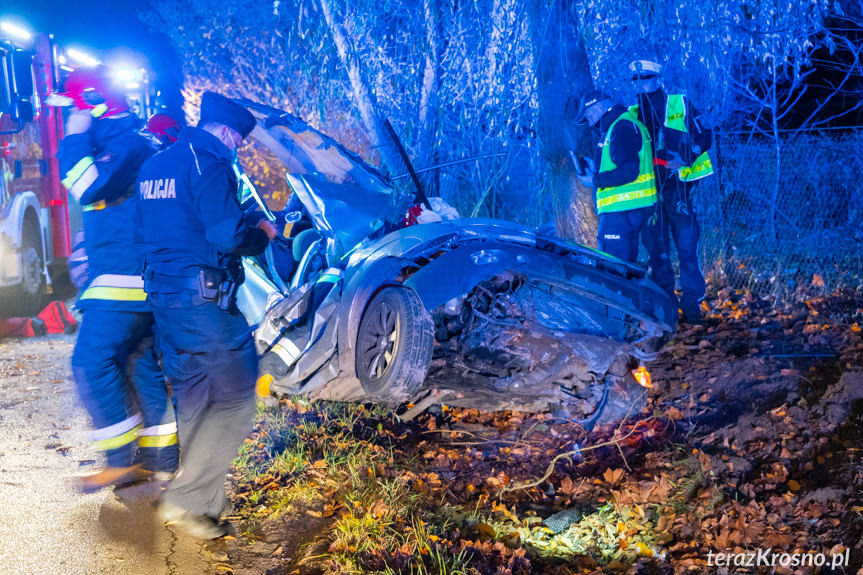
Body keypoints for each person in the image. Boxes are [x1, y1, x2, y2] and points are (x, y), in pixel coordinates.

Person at [135, 91, 274, 539]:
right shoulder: (211, 163)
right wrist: (263, 234)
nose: (238, 147)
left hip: (165, 301)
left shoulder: (156, 165)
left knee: (195, 398)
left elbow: (146, 234)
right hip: (205, 303)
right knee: (236, 398)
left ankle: (202, 511)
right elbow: (229, 235)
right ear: (229, 132)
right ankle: (185, 499)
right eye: (239, 139)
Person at [48, 67, 179, 490]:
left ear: (92, 104)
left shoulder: (127, 143)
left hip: (122, 277)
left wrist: (75, 134)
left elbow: (88, 185)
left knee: (89, 361)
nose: (70, 115)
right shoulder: (129, 139)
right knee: (139, 364)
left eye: (73, 107)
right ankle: (160, 456)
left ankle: (119, 460)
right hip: (133, 275)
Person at [629, 60, 714, 323]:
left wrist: (687, 157)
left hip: (679, 191)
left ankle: (692, 306)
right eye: (636, 78)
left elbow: (705, 135)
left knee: (687, 250)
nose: (641, 82)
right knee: (658, 252)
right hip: (649, 194)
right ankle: (666, 310)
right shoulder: (632, 113)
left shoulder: (679, 104)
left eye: (646, 76)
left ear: (657, 78)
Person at [573, 90, 657, 263]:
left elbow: (629, 171)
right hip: (629, 211)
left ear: (600, 107)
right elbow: (624, 163)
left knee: (613, 269)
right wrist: (595, 167)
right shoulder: (622, 125)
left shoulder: (620, 127)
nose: (588, 122)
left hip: (621, 213)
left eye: (588, 114)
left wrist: (594, 180)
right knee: (623, 267)